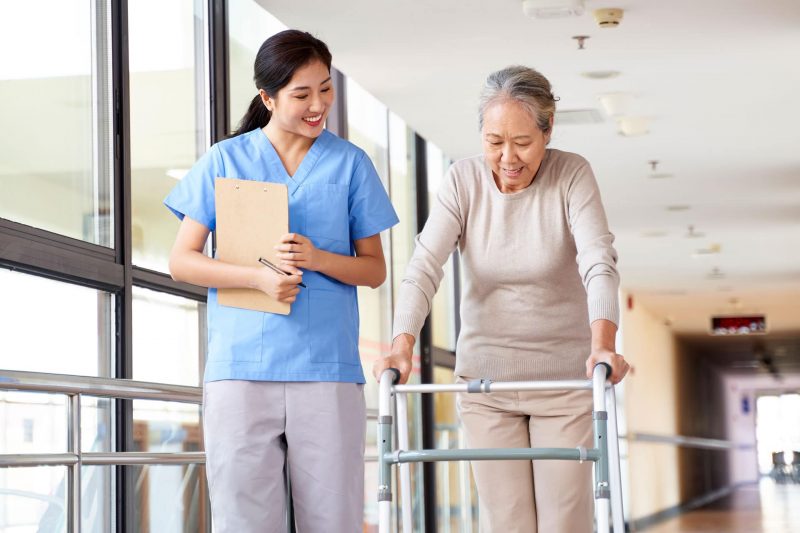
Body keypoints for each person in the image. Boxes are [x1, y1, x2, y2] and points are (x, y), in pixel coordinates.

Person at [373, 65, 630, 532]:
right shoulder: (462, 181)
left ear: (547, 131)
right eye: (494, 142)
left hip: (564, 384)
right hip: (485, 385)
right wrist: (401, 345)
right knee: (507, 520)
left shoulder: (572, 174)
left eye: (523, 142)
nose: (508, 157)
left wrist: (603, 343)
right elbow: (424, 266)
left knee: (564, 520)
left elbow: (598, 261)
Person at [166, 29, 398, 533]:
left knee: (333, 520)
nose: (319, 105)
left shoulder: (351, 163)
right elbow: (182, 260)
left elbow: (374, 269)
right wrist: (258, 279)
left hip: (327, 370)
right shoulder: (226, 160)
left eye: (325, 89)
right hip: (241, 370)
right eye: (301, 94)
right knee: (244, 520)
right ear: (267, 98)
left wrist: (317, 258)